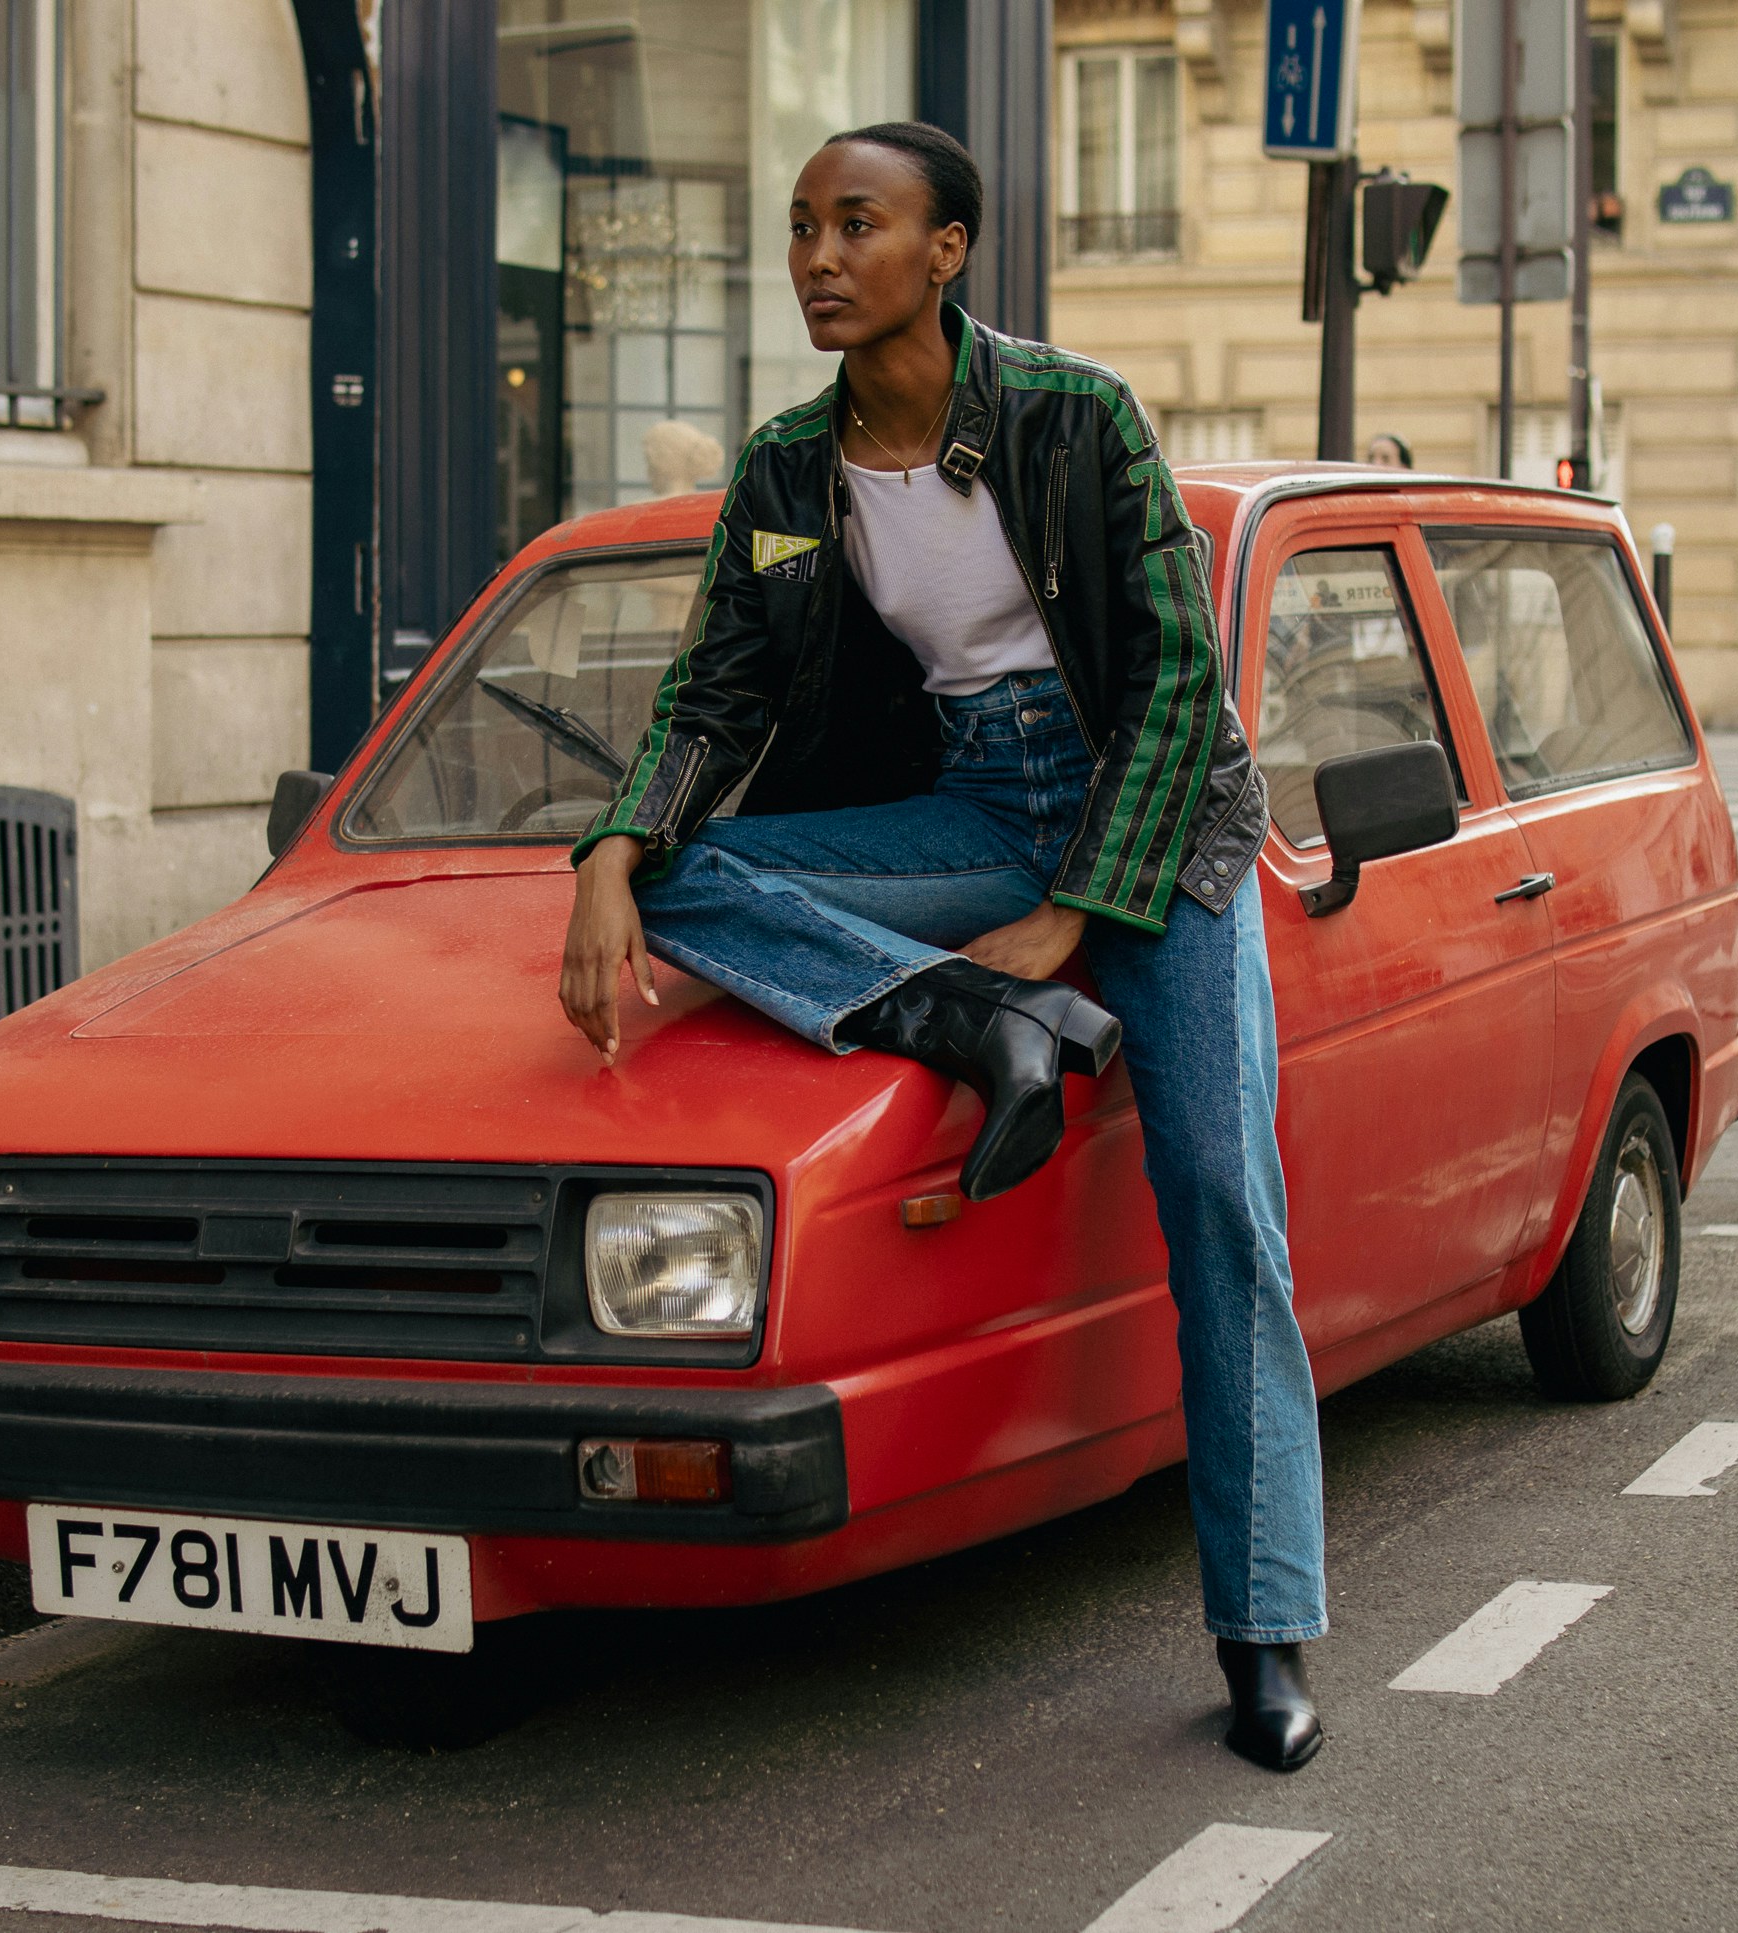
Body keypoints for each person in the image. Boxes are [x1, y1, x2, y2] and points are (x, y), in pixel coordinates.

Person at [555, 123, 1328, 1772]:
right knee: (693, 877)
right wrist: (616, 842)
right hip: (975, 801)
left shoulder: (1075, 415)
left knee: (1218, 1195)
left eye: (861, 224)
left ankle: (1263, 1624)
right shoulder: (786, 472)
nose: (822, 257)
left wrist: (1080, 912)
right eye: (803, 229)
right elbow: (717, 690)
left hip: (1155, 816)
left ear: (949, 248)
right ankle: (986, 1026)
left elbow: (1184, 688)